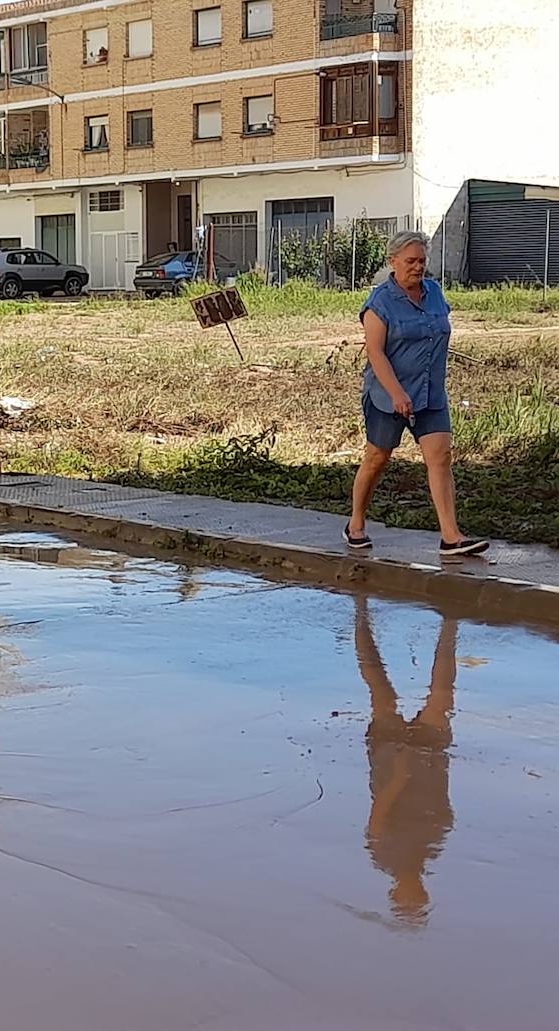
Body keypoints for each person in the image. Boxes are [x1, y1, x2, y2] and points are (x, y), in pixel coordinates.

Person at [346, 231, 488, 557]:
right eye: (410, 261)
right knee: (377, 459)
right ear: (392, 262)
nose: (417, 267)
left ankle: (451, 537)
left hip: (430, 393)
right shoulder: (379, 303)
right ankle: (356, 523)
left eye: (422, 261)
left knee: (440, 458)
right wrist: (396, 393)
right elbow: (376, 354)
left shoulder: (435, 293)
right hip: (387, 396)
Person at [355, 597, 456, 925]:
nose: (414, 892)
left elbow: (379, 810)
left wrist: (401, 772)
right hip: (423, 761)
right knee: (438, 697)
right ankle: (449, 626)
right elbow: (443, 807)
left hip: (392, 760)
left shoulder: (384, 855)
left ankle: (360, 616)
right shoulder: (429, 853)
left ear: (396, 892)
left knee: (381, 692)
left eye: (408, 898)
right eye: (418, 898)